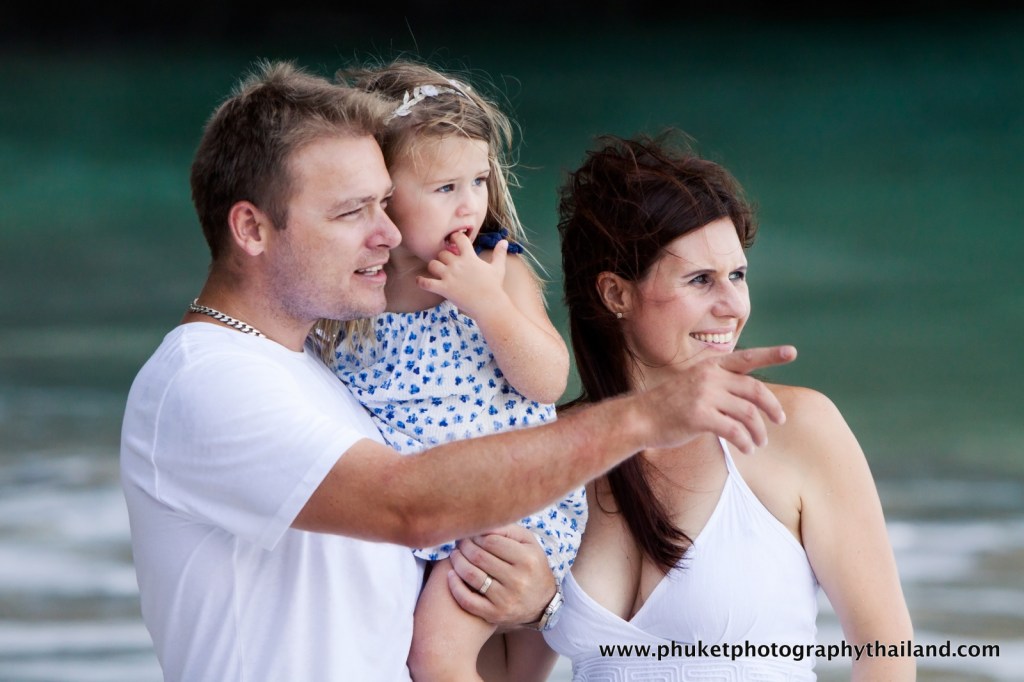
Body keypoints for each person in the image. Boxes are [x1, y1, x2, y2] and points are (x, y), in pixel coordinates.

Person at [119, 60, 796, 682]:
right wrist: (645, 416)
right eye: (352, 211)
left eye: (385, 202)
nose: (388, 233)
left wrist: (535, 604)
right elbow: (412, 505)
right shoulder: (206, 380)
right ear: (251, 229)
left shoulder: (321, 374)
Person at [539, 132, 915, 680]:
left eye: (738, 275)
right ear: (615, 293)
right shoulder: (551, 451)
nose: (733, 305)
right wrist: (539, 608)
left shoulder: (794, 428)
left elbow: (887, 655)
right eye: (700, 280)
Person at [313, 60, 585, 680]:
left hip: (508, 508)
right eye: (444, 189)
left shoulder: (496, 269)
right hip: (426, 517)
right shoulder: (355, 295)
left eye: (479, 180)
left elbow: (549, 380)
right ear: (381, 196)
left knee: (437, 658)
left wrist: (488, 304)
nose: (470, 205)